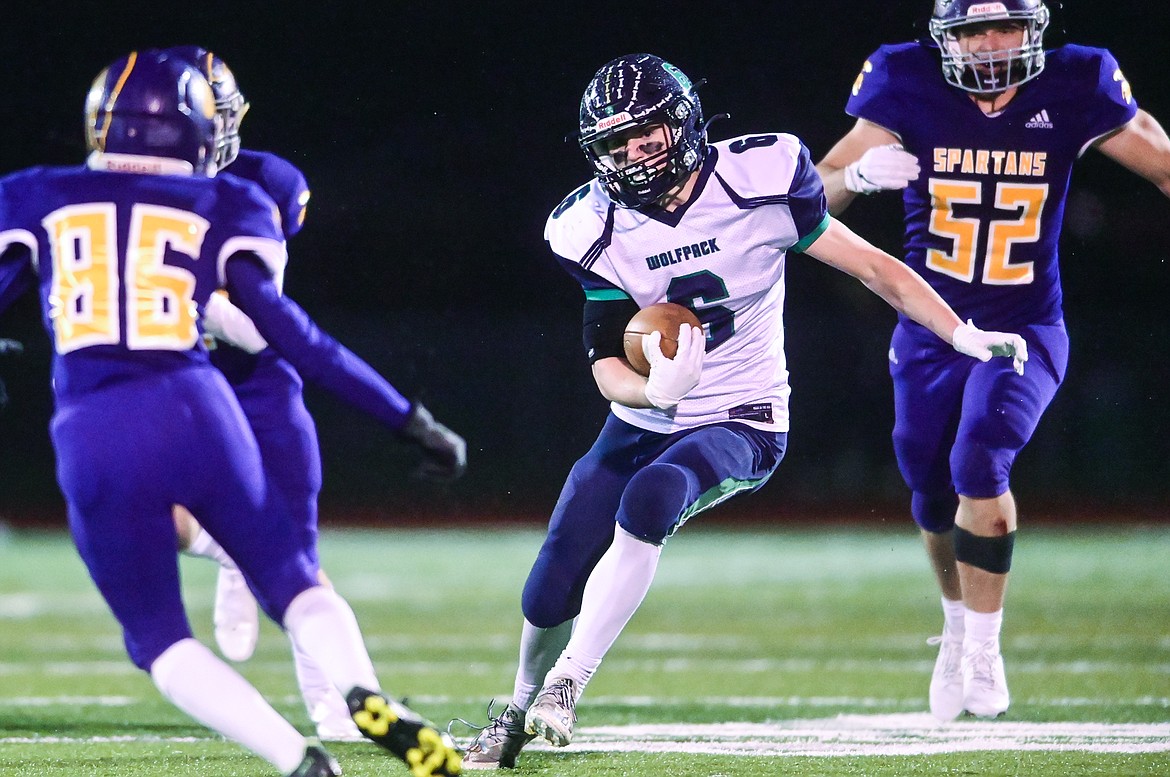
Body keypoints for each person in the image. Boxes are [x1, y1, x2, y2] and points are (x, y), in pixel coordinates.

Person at [459, 52, 1027, 770]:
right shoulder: (590, 226)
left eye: (646, 137)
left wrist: (961, 331)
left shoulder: (759, 179)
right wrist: (654, 393)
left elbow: (876, 268)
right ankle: (514, 709)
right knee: (549, 581)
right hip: (647, 415)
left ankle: (568, 683)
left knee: (651, 495)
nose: (631, 158)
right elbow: (607, 364)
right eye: (614, 144)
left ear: (685, 124)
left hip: (743, 413)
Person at [0, 50, 463, 777]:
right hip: (200, 407)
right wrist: (409, 418)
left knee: (158, 640)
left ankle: (297, 758)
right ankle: (365, 694)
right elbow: (300, 340)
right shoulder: (227, 201)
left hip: (96, 428)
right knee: (296, 579)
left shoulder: (34, 195)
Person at [815, 0, 1170, 722]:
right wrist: (862, 176)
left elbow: (1164, 163)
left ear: (1036, 29)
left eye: (1005, 27)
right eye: (975, 31)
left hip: (1024, 325)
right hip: (929, 324)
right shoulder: (902, 79)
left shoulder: (1079, 80)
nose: (992, 45)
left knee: (980, 455)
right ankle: (954, 621)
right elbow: (813, 196)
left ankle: (984, 644)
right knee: (926, 477)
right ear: (947, 38)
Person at [159, 45, 464, 743]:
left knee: (297, 563)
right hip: (173, 381)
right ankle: (228, 547)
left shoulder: (265, 182)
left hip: (259, 378)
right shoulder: (122, 196)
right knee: (140, 514)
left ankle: (339, 710)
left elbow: (266, 324)